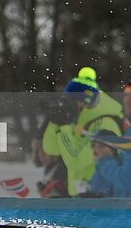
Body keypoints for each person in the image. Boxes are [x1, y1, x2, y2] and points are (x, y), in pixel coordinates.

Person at [39, 66, 123, 196]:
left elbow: (75, 160)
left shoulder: (105, 125)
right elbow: (51, 149)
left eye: (75, 101)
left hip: (102, 197)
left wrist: (64, 126)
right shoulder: (79, 121)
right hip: (82, 196)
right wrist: (55, 122)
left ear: (87, 102)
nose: (71, 106)